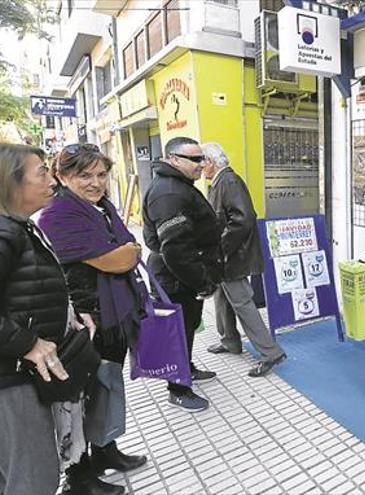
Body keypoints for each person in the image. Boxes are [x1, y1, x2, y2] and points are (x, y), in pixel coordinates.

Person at [39, 143, 148, 494]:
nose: (95, 183)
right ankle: (79, 473)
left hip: (113, 315)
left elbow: (131, 245)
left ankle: (105, 450)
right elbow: (118, 259)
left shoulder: (102, 207)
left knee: (108, 387)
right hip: (83, 321)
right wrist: (122, 253)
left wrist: (123, 252)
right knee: (80, 397)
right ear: (62, 176)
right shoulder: (56, 215)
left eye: (101, 174)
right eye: (84, 175)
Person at [0, 144, 69, 495]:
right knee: (33, 477)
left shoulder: (20, 227)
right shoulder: (5, 233)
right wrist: (28, 343)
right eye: (41, 172)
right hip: (10, 378)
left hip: (19, 374)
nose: (51, 180)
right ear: (11, 183)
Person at [142, 136, 222, 413]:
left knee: (186, 328)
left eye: (203, 158)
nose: (202, 164)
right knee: (176, 332)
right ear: (174, 159)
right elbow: (175, 248)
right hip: (177, 278)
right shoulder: (170, 192)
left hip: (183, 276)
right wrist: (201, 282)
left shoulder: (179, 186)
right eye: (195, 159)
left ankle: (186, 369)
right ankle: (177, 389)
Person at [201, 142, 287, 377]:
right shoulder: (220, 181)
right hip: (226, 256)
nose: (200, 166)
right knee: (222, 298)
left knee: (242, 303)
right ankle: (229, 339)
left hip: (232, 256)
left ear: (211, 162)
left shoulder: (228, 181)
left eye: (201, 161)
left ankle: (271, 353)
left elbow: (244, 218)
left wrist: (222, 247)